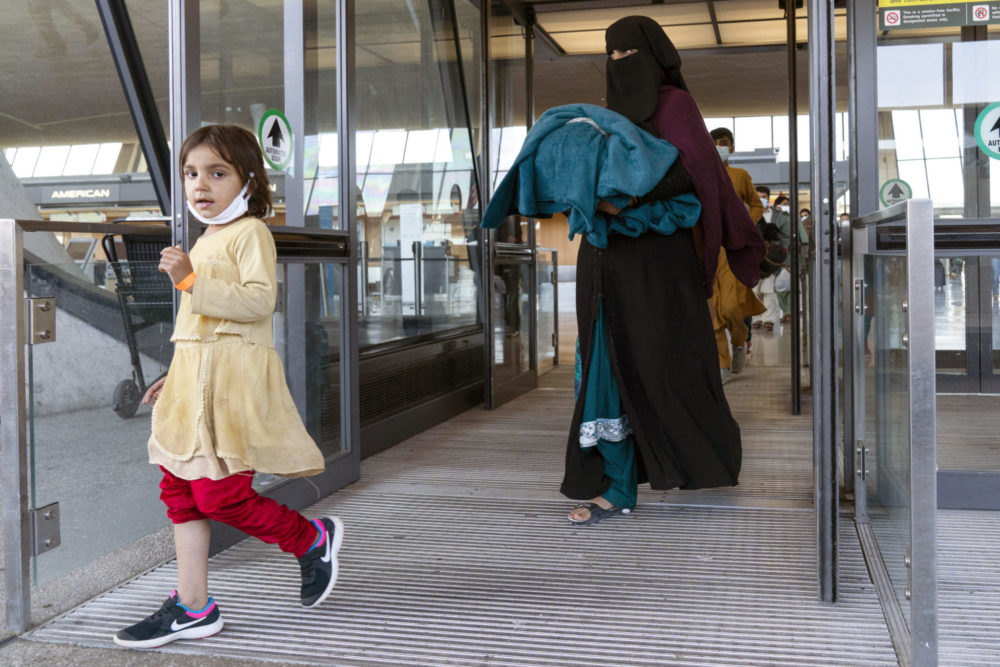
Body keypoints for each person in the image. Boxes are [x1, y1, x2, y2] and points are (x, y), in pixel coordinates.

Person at [114, 125, 343, 650]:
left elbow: (259, 303)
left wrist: (192, 280)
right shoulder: (207, 237)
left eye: (218, 172)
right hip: (196, 382)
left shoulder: (250, 233)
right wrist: (177, 374)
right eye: (192, 173)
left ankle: (311, 539)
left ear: (248, 179)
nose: (201, 184)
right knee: (179, 492)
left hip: (232, 386)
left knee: (220, 495)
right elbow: (203, 327)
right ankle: (194, 607)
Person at [560, 17, 762, 525]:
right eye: (612, 54)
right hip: (603, 258)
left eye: (629, 53)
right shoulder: (605, 115)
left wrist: (624, 196)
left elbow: (689, 175)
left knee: (661, 365)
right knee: (602, 364)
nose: (619, 63)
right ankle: (615, 484)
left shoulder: (676, 106)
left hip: (657, 264)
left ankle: (696, 459)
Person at [709, 127, 766, 382]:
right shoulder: (699, 174)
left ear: (731, 147)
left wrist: (746, 224)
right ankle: (722, 363)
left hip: (732, 250)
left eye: (724, 143)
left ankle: (740, 341)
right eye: (715, 142)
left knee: (732, 307)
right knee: (711, 310)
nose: (720, 146)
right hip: (707, 250)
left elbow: (756, 204)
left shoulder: (740, 176)